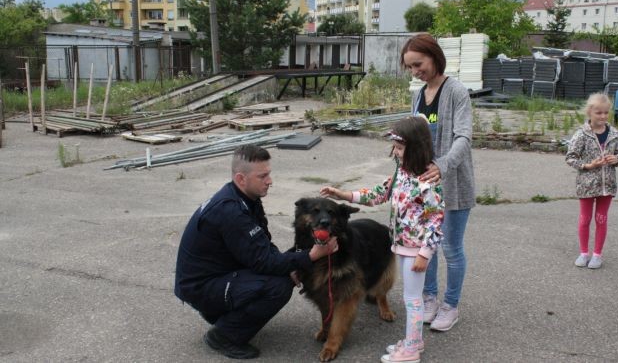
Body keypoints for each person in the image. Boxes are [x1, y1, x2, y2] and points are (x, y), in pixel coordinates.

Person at [174, 144, 338, 360]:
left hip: (218, 274)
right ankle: (223, 336)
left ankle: (224, 314)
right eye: (263, 176)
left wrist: (291, 262)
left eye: (268, 174)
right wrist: (310, 256)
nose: (269, 181)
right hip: (201, 286)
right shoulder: (231, 211)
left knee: (284, 269)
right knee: (277, 286)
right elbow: (264, 262)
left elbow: (262, 245)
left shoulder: (246, 199)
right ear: (241, 179)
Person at [320, 116, 445, 363]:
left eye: (400, 148)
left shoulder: (427, 182)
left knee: (413, 300)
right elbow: (378, 194)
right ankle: (414, 339)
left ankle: (411, 350)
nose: (395, 153)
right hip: (403, 246)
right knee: (412, 298)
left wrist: (425, 253)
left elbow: (436, 220)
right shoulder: (403, 173)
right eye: (395, 148)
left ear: (416, 148)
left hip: (415, 250)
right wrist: (343, 194)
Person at [400, 33, 476, 332]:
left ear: (433, 56)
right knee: (424, 245)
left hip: (453, 184)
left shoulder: (456, 90)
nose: (415, 71)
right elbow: (412, 136)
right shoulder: (418, 94)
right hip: (423, 187)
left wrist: (442, 166)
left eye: (418, 64)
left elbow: (464, 137)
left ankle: (450, 305)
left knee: (451, 249)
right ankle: (429, 298)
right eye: (410, 67)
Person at [566, 93, 618, 269]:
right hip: (586, 185)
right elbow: (570, 158)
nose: (603, 116)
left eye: (606, 112)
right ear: (590, 112)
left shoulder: (614, 133)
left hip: (608, 186)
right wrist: (588, 165)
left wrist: (617, 159)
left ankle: (597, 255)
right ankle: (584, 253)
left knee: (601, 219)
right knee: (585, 219)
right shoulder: (581, 134)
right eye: (599, 113)